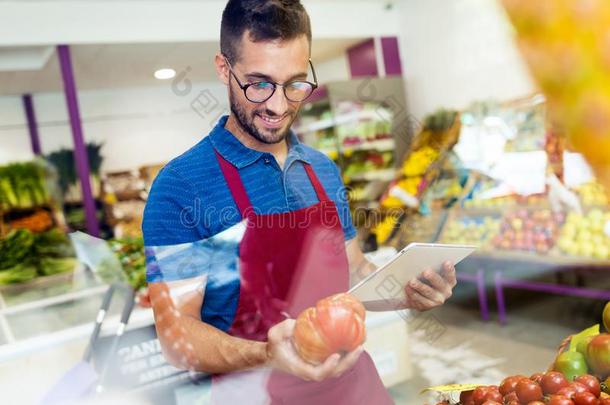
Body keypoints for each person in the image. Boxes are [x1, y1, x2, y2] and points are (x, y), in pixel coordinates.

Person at [142, 0, 457, 403]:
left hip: (352, 389)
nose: (278, 105)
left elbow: (353, 270)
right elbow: (176, 336)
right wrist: (269, 354)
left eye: (294, 83)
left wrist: (406, 291)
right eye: (259, 83)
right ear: (224, 69)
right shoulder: (181, 185)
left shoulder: (320, 168)